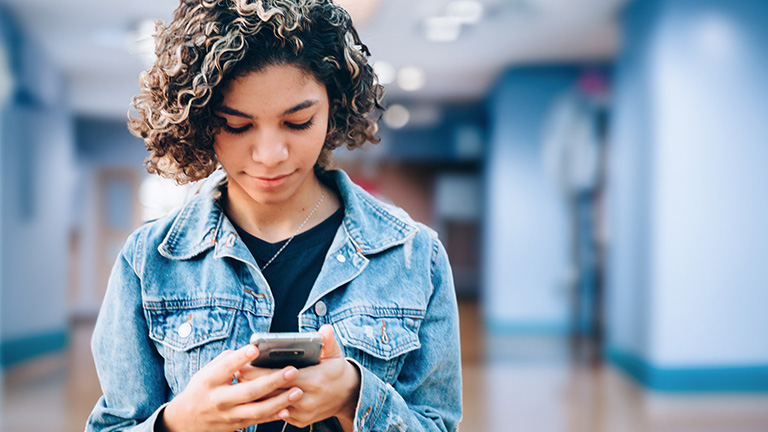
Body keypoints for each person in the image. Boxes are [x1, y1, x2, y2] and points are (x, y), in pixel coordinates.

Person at [85, 0, 462, 431]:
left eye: (298, 122)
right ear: (200, 122)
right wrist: (179, 422)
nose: (270, 156)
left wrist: (356, 397)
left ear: (333, 107)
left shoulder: (415, 256)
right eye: (238, 125)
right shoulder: (149, 261)